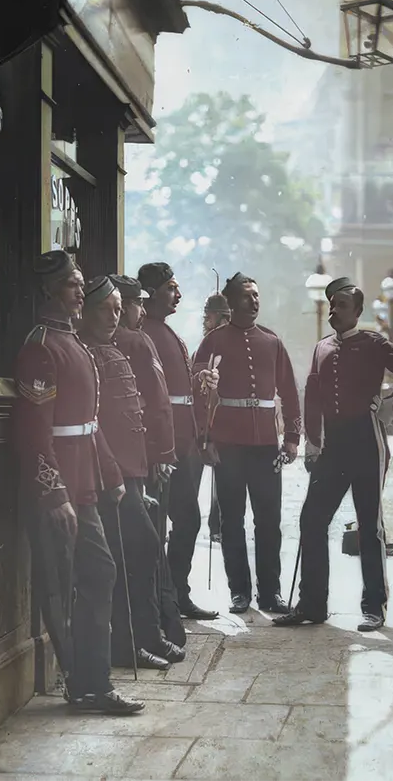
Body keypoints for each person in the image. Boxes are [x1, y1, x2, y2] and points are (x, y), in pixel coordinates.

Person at [14, 250, 143, 714]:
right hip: (61, 490)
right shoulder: (41, 347)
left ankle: (90, 682)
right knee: (69, 581)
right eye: (70, 283)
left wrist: (111, 473)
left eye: (79, 282)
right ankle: (85, 685)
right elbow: (35, 430)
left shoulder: (74, 343)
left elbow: (89, 422)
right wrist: (54, 494)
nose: (77, 290)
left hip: (86, 481)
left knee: (95, 575)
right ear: (49, 289)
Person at [274, 277, 393, 632]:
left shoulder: (373, 343)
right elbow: (312, 396)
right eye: (331, 304)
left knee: (368, 525)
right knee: (311, 519)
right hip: (333, 446)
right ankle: (312, 605)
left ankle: (373, 607)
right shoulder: (322, 347)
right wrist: (313, 442)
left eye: (342, 305)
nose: (334, 309)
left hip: (366, 440)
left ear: (357, 312)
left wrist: (390, 406)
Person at [79, 275, 186, 671]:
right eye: (104, 310)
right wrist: (117, 473)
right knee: (135, 550)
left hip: (129, 470)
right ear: (85, 312)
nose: (114, 316)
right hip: (108, 475)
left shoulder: (115, 349)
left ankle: (144, 636)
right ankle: (132, 642)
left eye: (117, 309)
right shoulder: (86, 352)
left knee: (138, 551)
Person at [194, 272, 301, 615]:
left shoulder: (271, 341)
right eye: (246, 296)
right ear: (230, 301)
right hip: (227, 444)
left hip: (267, 444)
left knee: (268, 520)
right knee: (232, 521)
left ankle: (271, 593)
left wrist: (293, 439)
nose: (254, 301)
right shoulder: (214, 341)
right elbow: (199, 393)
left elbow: (289, 392)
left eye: (256, 295)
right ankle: (239, 592)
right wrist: (205, 439)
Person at [138, 262, 219, 621]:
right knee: (169, 522)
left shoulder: (167, 334)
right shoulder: (144, 334)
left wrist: (200, 380)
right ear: (152, 293)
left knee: (186, 519)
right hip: (161, 446)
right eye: (171, 288)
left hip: (183, 443)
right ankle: (163, 596)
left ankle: (173, 592)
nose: (179, 294)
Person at [109, 273, 185, 648]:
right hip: (143, 460)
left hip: (126, 460)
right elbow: (158, 403)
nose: (138, 309)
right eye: (136, 302)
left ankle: (158, 629)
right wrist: (164, 454)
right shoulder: (138, 341)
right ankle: (159, 629)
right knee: (148, 545)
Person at [192, 291, 232, 543]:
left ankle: (218, 523)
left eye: (210, 316)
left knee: (226, 478)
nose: (206, 320)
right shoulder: (204, 346)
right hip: (198, 421)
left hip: (225, 419)